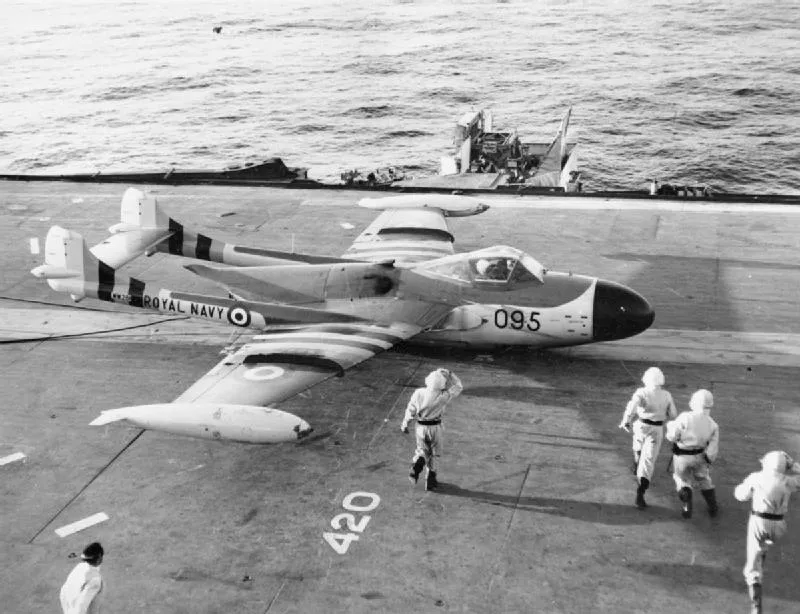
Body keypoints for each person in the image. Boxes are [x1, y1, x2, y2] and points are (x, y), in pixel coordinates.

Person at [734, 451, 800, 614]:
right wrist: (793, 465)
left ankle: (755, 602)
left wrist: (744, 489)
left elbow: (741, 496)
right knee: (763, 546)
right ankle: (760, 559)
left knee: (752, 569)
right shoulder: (789, 481)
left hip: (759, 522)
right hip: (779, 525)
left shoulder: (756, 477)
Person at [618, 367, 677, 509]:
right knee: (649, 460)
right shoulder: (667, 395)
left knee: (637, 445)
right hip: (657, 428)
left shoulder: (642, 392)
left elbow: (631, 406)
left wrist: (626, 420)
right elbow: (673, 414)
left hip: (641, 424)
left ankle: (636, 461)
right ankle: (641, 492)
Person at [401, 368, 463, 491]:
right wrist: (450, 374)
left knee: (422, 450)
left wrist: (405, 423)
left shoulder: (418, 393)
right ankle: (430, 480)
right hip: (435, 428)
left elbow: (411, 410)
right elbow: (459, 386)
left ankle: (417, 465)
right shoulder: (444, 395)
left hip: (420, 427)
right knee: (435, 454)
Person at [665, 389, 719, 518]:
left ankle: (687, 506)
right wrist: (708, 459)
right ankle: (712, 506)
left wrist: (670, 427)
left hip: (682, 456)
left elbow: (672, 436)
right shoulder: (713, 424)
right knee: (704, 480)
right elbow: (713, 446)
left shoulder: (685, 417)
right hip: (700, 456)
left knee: (682, 480)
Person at [60, 542, 103, 614]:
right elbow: (81, 606)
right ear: (99, 558)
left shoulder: (79, 567)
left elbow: (63, 592)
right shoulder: (94, 579)